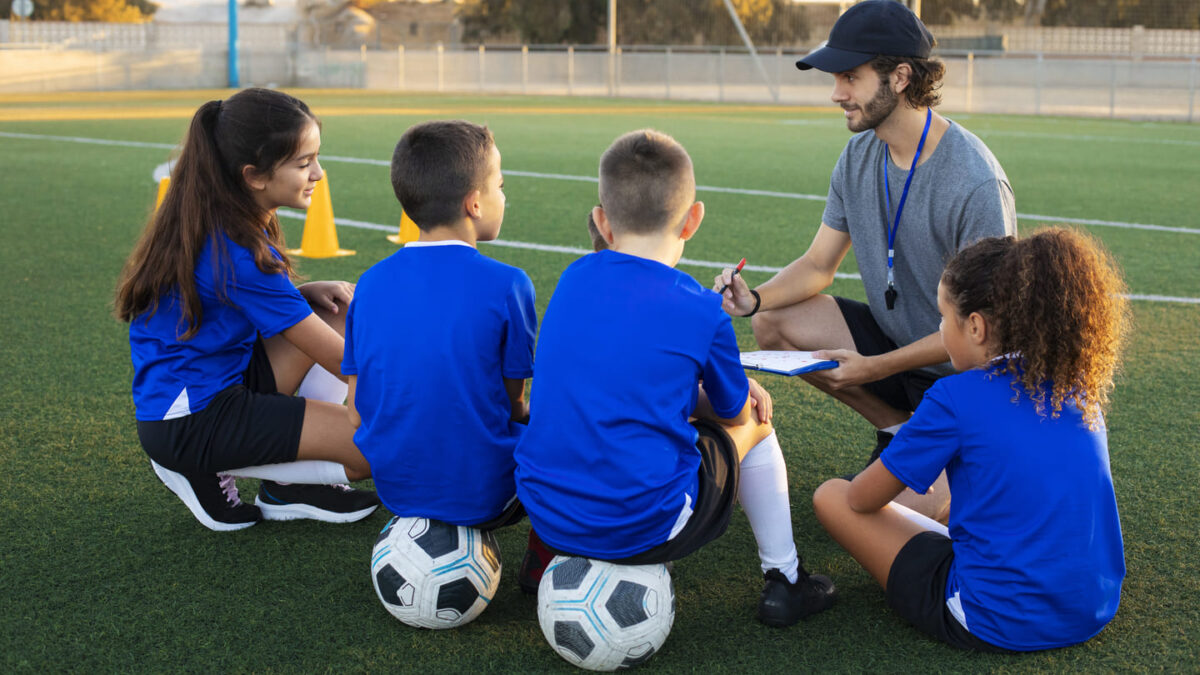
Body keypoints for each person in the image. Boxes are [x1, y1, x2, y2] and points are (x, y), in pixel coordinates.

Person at [515, 129, 836, 628]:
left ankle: (541, 558)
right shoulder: (701, 309)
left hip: (544, 507)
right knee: (756, 417)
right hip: (642, 524)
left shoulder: (573, 277)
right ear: (693, 219)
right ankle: (786, 580)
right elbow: (730, 413)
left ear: (602, 221)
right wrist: (721, 394)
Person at [715, 0, 1016, 517]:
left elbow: (983, 333)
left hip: (966, 376)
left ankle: (940, 454)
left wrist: (872, 366)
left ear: (899, 77)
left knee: (904, 513)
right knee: (774, 320)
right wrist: (754, 297)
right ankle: (897, 429)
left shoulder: (975, 182)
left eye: (850, 78)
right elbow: (818, 265)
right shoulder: (858, 155)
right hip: (897, 348)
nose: (837, 94)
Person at [811, 228, 1129, 652]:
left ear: (976, 327)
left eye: (943, 319)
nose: (941, 331)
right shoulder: (1076, 383)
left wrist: (910, 439)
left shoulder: (955, 397)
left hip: (993, 618)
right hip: (1093, 606)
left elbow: (861, 500)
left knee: (831, 495)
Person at [115, 88, 379, 532]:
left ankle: (289, 488)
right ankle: (197, 466)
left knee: (340, 310)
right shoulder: (236, 250)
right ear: (254, 175)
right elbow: (343, 362)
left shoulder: (227, 214)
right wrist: (419, 400)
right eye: (303, 163)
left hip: (224, 375)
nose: (318, 172)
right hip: (192, 420)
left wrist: (303, 290)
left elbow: (238, 298)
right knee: (373, 447)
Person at [342, 120, 549, 591]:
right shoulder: (509, 283)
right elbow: (514, 404)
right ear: (474, 203)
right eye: (500, 186)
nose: (504, 196)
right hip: (487, 494)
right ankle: (547, 550)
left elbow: (355, 409)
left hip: (394, 486)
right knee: (570, 425)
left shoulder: (370, 283)